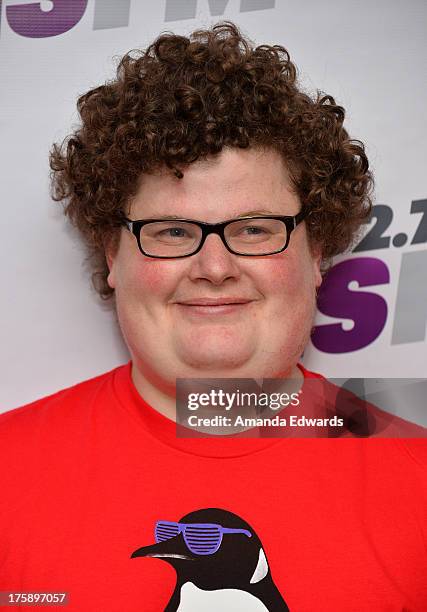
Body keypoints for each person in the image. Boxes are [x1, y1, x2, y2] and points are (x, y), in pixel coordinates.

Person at [0, 22, 425, 611]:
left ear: (317, 252)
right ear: (112, 256)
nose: (215, 266)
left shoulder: (418, 482)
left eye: (255, 229)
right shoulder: (6, 477)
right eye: (171, 231)